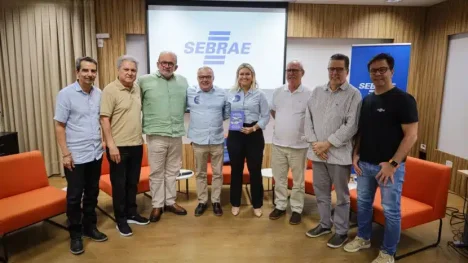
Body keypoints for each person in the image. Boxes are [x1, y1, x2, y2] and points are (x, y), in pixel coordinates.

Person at [343, 53, 418, 263]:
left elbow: (411, 135)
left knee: (391, 211)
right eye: (374, 71)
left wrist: (393, 164)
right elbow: (363, 132)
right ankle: (363, 238)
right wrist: (355, 154)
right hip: (365, 165)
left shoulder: (404, 100)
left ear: (392, 71)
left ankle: (388, 252)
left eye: (382, 70)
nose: (378, 74)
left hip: (389, 169)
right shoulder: (367, 100)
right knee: (364, 205)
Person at [304, 54, 362, 248]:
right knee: (321, 193)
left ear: (347, 71)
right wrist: (315, 144)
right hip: (317, 153)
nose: (334, 73)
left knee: (342, 196)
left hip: (339, 155)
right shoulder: (317, 91)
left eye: (339, 69)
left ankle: (342, 231)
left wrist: (326, 144)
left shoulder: (354, 94)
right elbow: (308, 119)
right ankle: (324, 224)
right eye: (331, 69)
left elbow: (351, 126)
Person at [54, 56, 107, 255]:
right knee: (75, 196)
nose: (89, 74)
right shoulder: (65, 94)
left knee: (92, 193)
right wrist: (65, 154)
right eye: (85, 70)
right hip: (75, 155)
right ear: (77, 72)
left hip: (95, 153)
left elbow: (99, 120)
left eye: (93, 71)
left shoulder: (99, 93)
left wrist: (102, 140)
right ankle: (75, 234)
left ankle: (89, 227)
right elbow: (59, 126)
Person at [100, 55, 150, 237]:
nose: (130, 73)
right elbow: (104, 118)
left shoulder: (137, 88)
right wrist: (111, 145)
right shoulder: (110, 90)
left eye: (133, 70)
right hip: (118, 147)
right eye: (126, 69)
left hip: (137, 144)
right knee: (119, 184)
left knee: (132, 183)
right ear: (119, 70)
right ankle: (120, 219)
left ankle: (132, 213)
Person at [138, 51, 188, 222]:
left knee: (172, 171)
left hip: (176, 134)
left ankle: (170, 201)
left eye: (171, 63)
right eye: (164, 63)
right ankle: (157, 204)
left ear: (176, 66)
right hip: (156, 134)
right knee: (157, 172)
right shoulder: (144, 81)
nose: (167, 66)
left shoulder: (183, 81)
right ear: (158, 63)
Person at [269, 60, 311, 225]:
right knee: (279, 179)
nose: (292, 73)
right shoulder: (278, 91)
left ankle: (296, 209)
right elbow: (273, 110)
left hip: (299, 146)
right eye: (289, 70)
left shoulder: (309, 93)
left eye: (295, 70)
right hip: (278, 144)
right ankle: (280, 205)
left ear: (302, 73)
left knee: (298, 181)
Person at [227, 63, 270, 217]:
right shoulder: (231, 94)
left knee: (255, 170)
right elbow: (226, 112)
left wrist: (254, 128)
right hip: (235, 134)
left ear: (252, 76)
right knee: (236, 170)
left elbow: (266, 116)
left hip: (254, 134)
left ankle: (257, 204)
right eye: (241, 74)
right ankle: (235, 203)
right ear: (237, 76)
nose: (244, 77)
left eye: (247, 74)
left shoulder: (260, 94)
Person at [187, 66, 230, 216]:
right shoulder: (190, 92)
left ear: (213, 78)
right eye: (201, 77)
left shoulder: (222, 93)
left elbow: (226, 113)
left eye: (208, 77)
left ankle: (216, 201)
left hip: (217, 139)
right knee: (200, 173)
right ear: (197, 78)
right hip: (198, 140)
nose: (204, 79)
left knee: (218, 173)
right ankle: (202, 201)